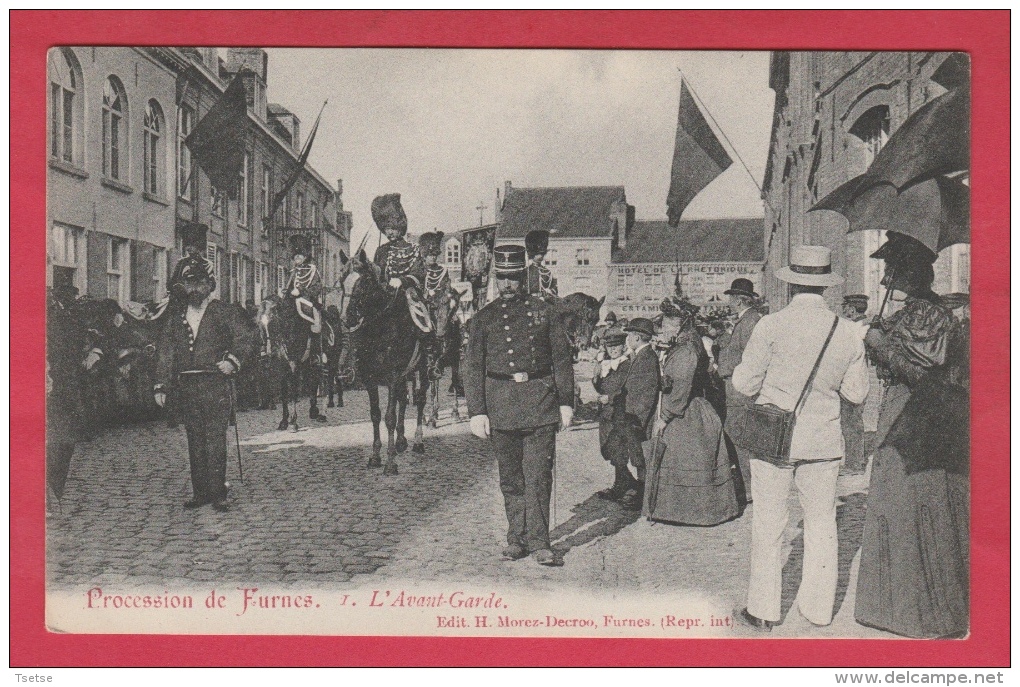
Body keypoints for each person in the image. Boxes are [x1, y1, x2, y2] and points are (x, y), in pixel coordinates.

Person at [731, 246, 869, 631]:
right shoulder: (847, 332)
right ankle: (819, 610)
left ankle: (763, 610)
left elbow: (743, 384)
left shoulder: (771, 326)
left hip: (774, 440)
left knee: (770, 522)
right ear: (825, 287)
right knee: (823, 522)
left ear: (790, 284)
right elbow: (857, 394)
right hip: (823, 442)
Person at [855, 233, 969, 638]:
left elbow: (924, 377)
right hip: (901, 416)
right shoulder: (916, 312)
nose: (885, 281)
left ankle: (924, 613)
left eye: (891, 272)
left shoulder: (931, 315)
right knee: (898, 502)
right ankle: (899, 607)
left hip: (918, 421)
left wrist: (881, 345)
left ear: (911, 274)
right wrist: (882, 335)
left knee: (916, 503)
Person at [464, 245, 575, 567]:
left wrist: (566, 402)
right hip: (500, 405)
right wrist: (477, 410)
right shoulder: (484, 318)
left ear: (523, 277)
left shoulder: (545, 312)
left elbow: (561, 360)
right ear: (495, 279)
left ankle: (541, 542)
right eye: (502, 279)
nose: (507, 285)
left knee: (538, 476)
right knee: (511, 478)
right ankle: (517, 537)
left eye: (513, 278)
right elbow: (472, 367)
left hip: (539, 403)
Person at [154, 256, 256, 512]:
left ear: (210, 285)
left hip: (215, 384)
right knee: (195, 439)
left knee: (214, 438)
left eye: (200, 283)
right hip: (188, 386)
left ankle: (218, 492)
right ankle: (200, 492)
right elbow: (166, 351)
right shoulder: (177, 316)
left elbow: (246, 339)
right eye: (189, 283)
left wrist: (232, 361)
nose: (194, 289)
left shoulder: (225, 312)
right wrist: (161, 385)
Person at [644, 295, 739, 526]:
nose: (663, 328)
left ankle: (691, 512)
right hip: (691, 408)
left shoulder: (686, 349)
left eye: (667, 323)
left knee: (683, 457)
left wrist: (665, 418)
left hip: (687, 411)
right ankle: (687, 511)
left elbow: (681, 386)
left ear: (679, 324)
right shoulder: (687, 343)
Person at [717, 277, 763, 500]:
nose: (728, 303)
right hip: (735, 385)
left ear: (738, 300)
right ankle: (747, 486)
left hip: (740, 389)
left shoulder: (750, 323)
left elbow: (750, 358)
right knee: (738, 436)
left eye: (731, 299)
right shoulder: (745, 321)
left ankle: (748, 489)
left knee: (739, 437)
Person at [46, 280, 85, 510]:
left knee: (63, 443)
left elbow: (71, 351)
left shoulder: (65, 316)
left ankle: (53, 491)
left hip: (62, 387)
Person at [616, 317, 661, 511]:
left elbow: (648, 392)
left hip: (639, 419)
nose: (627, 339)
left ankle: (644, 497)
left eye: (629, 335)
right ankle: (642, 494)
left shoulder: (647, 357)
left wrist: (637, 421)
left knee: (642, 458)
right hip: (633, 416)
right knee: (638, 457)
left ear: (636, 337)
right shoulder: (641, 355)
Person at [590, 327, 637, 501]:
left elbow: (626, 389)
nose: (613, 350)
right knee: (609, 449)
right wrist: (595, 379)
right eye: (610, 347)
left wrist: (609, 398)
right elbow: (600, 387)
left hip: (619, 413)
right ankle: (624, 484)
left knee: (618, 450)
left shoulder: (626, 365)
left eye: (616, 346)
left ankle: (626, 485)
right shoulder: (605, 364)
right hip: (606, 414)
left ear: (623, 346)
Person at [840, 294, 870, 473]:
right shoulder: (859, 326)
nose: (843, 310)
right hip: (852, 379)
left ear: (851, 308)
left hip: (854, 381)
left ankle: (855, 464)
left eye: (845, 307)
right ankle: (852, 461)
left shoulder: (860, 328)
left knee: (852, 424)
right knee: (848, 423)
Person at [524, 229, 558, 301]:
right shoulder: (525, 272)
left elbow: (554, 288)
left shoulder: (547, 272)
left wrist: (549, 292)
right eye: (537, 254)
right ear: (532, 254)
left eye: (542, 254)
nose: (540, 256)